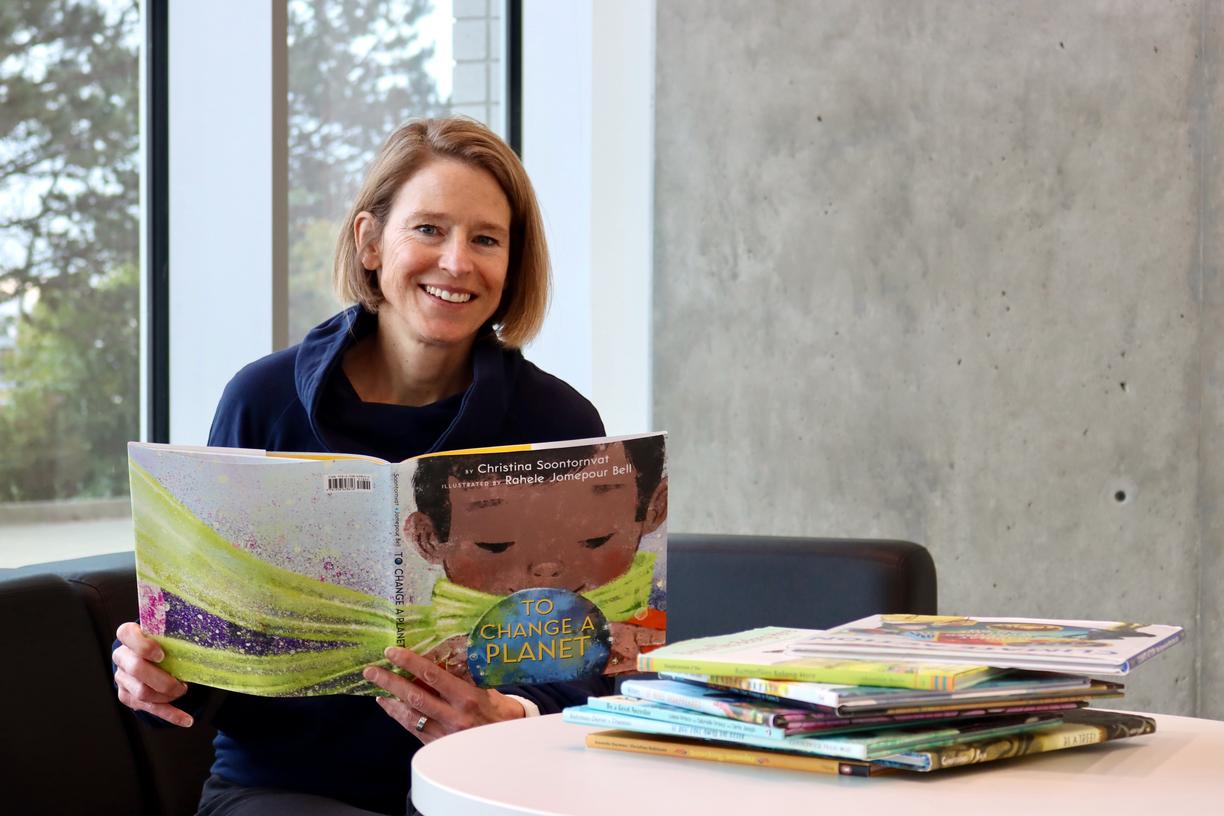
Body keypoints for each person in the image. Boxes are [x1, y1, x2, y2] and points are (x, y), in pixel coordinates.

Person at [112, 116, 611, 815]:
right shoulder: (262, 401)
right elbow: (205, 652)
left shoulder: (560, 427)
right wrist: (154, 671)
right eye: (429, 229)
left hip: (490, 786)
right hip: (283, 788)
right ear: (370, 242)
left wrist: (511, 716)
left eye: (486, 240)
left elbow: (592, 675)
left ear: (512, 265)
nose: (457, 262)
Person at [403, 437, 668, 678]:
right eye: (496, 545)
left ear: (655, 509)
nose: (547, 566)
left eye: (595, 539)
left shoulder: (653, 634)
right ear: (428, 539)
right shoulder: (410, 641)